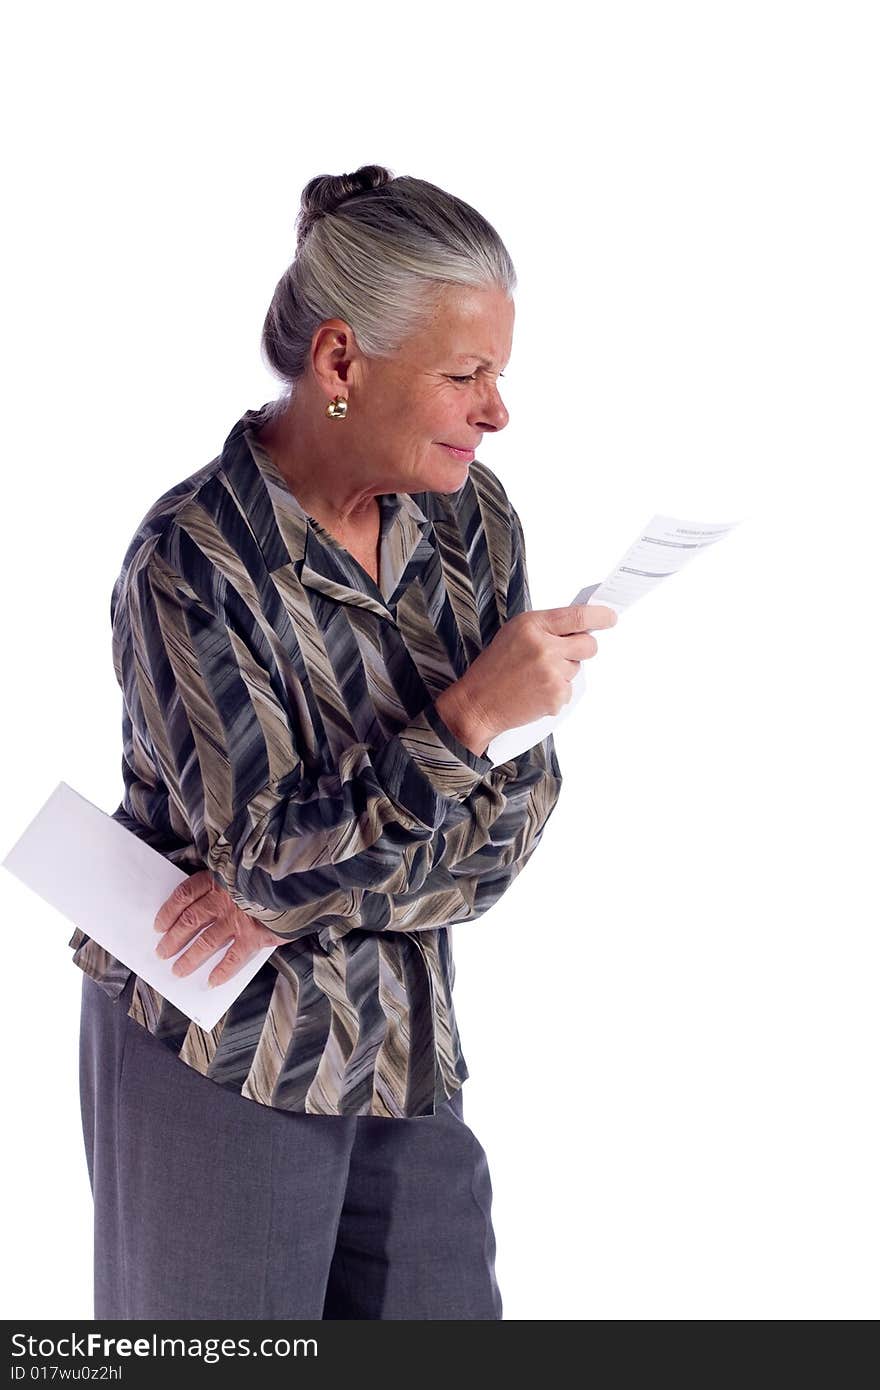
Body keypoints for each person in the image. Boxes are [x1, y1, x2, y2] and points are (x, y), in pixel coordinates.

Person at [70, 164, 616, 1321]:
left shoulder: (474, 519)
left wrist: (292, 884)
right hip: (221, 1056)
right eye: (465, 375)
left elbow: (506, 832)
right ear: (339, 364)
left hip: (405, 1055)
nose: (497, 410)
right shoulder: (192, 563)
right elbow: (266, 855)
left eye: (499, 375)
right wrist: (465, 719)